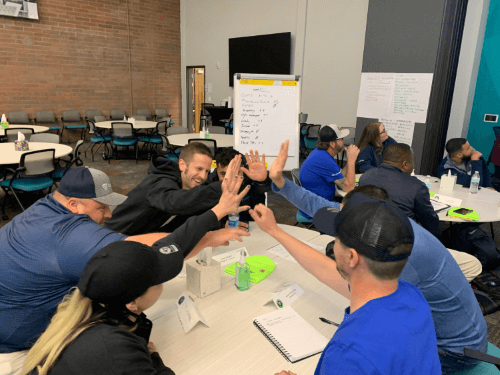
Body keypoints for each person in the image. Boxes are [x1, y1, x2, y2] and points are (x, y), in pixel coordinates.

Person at [0, 161, 249, 375]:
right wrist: (215, 216)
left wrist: (205, 238)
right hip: (19, 348)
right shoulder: (69, 238)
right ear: (74, 204)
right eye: (101, 206)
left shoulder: (45, 209)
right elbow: (147, 258)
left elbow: (142, 245)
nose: (108, 214)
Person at [268, 141, 487, 374]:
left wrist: (276, 232)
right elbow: (323, 208)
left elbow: (330, 275)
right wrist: (281, 183)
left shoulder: (349, 352)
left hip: (455, 352)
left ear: (353, 256)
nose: (334, 237)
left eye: (338, 235)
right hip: (441, 334)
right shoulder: (391, 232)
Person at [251, 194, 442, 374]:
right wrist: (274, 230)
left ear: (351, 257)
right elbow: (324, 268)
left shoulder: (349, 354)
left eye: (336, 239)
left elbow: (355, 363)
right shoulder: (412, 296)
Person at [105, 142, 268, 235]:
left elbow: (191, 218)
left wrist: (219, 226)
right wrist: (223, 186)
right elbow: (175, 203)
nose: (202, 176)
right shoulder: (160, 182)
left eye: (205, 171)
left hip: (146, 238)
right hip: (113, 239)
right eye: (198, 169)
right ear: (182, 165)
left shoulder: (193, 187)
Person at [359, 142, 442, 240]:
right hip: (401, 240)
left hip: (367, 233)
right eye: (413, 162)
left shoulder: (366, 176)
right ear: (405, 164)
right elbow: (430, 221)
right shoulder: (417, 186)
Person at [299, 124, 359, 218]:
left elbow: (340, 175)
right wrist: (352, 161)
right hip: (316, 209)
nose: (344, 141)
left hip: (312, 202)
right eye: (341, 139)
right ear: (332, 143)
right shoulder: (324, 160)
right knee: (356, 209)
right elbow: (349, 188)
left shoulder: (321, 154)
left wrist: (348, 161)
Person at [205, 147, 271, 222]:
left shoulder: (251, 178)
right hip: (220, 230)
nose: (229, 178)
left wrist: (262, 181)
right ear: (216, 170)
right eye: (223, 174)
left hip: (251, 226)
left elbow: (265, 187)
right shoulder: (209, 184)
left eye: (235, 173)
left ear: (243, 169)